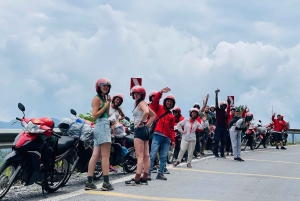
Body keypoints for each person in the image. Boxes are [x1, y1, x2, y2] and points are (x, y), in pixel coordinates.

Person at [85, 78, 114, 191]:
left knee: (95, 155)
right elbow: (94, 115)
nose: (106, 87)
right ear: (98, 87)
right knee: (105, 156)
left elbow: (107, 114)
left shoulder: (102, 99)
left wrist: (108, 103)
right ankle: (106, 183)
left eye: (107, 86)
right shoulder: (97, 99)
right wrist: (106, 106)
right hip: (102, 125)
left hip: (99, 126)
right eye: (103, 85)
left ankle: (89, 182)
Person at [125, 85, 156, 186]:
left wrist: (140, 122)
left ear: (142, 94)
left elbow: (147, 112)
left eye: (138, 93)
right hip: (145, 130)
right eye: (134, 93)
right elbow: (153, 115)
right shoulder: (140, 103)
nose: (136, 95)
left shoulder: (141, 103)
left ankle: (137, 178)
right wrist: (147, 124)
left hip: (140, 130)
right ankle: (144, 178)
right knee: (146, 156)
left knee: (139, 156)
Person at [148, 87, 176, 181]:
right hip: (157, 135)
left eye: (171, 102)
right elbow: (155, 101)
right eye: (168, 101)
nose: (169, 103)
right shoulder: (158, 107)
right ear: (165, 101)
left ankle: (160, 173)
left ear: (173, 105)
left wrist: (173, 140)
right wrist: (160, 92)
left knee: (164, 156)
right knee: (153, 154)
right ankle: (148, 173)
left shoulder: (171, 116)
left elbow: (172, 129)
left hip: (166, 138)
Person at [214, 88, 229, 158]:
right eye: (223, 105)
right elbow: (216, 102)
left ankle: (222, 153)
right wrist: (216, 94)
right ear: (220, 106)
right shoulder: (218, 110)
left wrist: (228, 128)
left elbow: (227, 121)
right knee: (216, 140)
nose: (224, 106)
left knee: (223, 141)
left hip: (224, 128)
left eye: (225, 106)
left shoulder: (226, 113)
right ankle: (216, 152)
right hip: (218, 127)